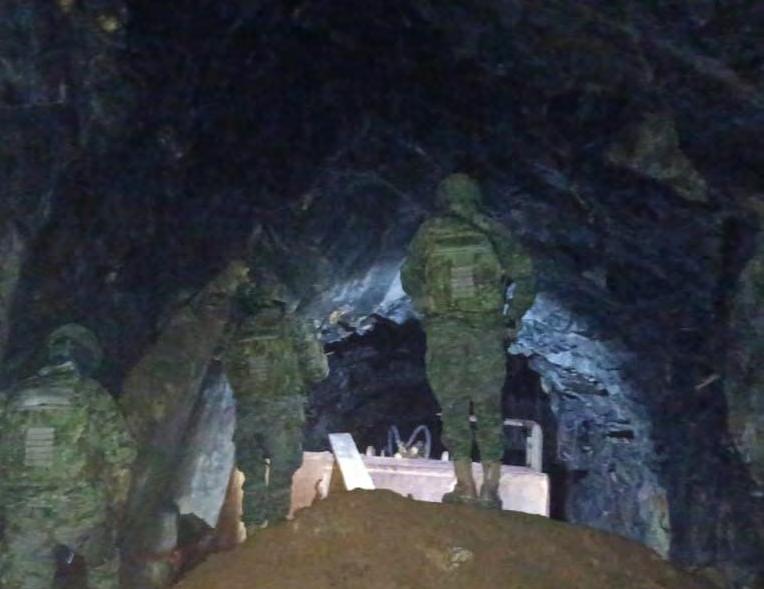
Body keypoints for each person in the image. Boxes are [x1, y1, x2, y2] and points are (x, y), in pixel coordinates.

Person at [401, 173, 536, 509]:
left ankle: (464, 486)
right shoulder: (493, 229)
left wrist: (424, 303)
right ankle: (491, 488)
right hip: (486, 330)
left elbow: (409, 275)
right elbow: (526, 276)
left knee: (453, 406)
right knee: (489, 406)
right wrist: (511, 316)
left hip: (444, 331)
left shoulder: (431, 231)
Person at [0, 324, 137, 589]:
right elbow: (122, 453)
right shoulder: (90, 393)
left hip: (23, 513)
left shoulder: (14, 395)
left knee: (21, 579)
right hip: (79, 511)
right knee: (102, 565)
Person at [223, 272, 329, 532]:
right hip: (283, 412)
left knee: (253, 478)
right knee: (281, 477)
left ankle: (251, 536)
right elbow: (318, 371)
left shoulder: (237, 329)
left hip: (247, 413)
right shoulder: (294, 326)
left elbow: (229, 369)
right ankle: (273, 536)